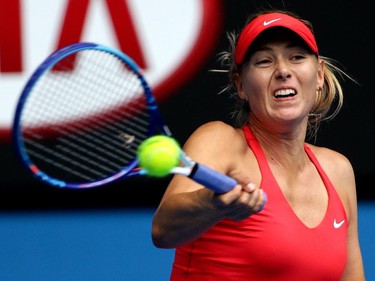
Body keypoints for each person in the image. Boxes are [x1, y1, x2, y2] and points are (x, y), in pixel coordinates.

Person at [151, 9, 366, 281]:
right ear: (240, 84)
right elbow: (163, 231)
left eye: (297, 57)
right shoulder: (220, 141)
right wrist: (214, 204)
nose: (283, 71)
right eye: (264, 61)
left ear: (320, 75)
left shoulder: (338, 170)